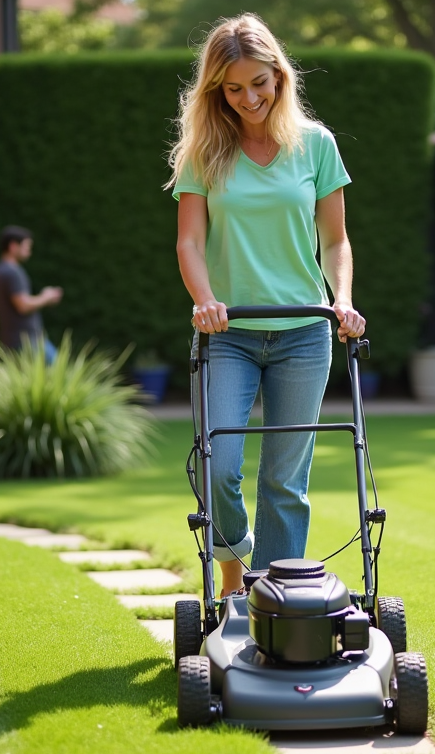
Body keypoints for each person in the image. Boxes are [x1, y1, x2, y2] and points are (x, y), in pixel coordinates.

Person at [167, 14, 366, 597]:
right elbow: (189, 242)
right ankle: (235, 571)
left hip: (305, 332)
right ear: (216, 90)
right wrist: (205, 300)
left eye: (259, 82)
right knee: (220, 465)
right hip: (227, 334)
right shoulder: (203, 152)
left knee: (285, 480)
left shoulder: (316, 146)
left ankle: (276, 599)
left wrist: (344, 301)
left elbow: (335, 241)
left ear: (279, 75)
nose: (249, 98)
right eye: (233, 88)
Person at [0, 225, 63, 363]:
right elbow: (23, 305)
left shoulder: (0, 270)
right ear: (13, 246)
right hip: (26, 342)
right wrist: (46, 297)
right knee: (59, 374)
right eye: (26, 246)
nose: (29, 251)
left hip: (18, 340)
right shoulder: (11, 272)